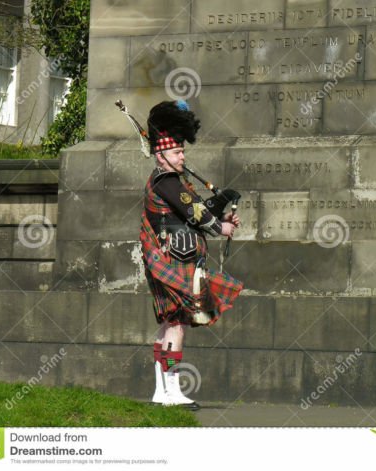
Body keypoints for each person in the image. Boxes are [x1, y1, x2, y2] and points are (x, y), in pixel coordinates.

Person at [139, 99, 243, 410]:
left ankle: (162, 393)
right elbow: (195, 212)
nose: (183, 155)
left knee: (170, 322)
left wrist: (221, 211)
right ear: (160, 155)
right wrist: (219, 228)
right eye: (176, 152)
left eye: (182, 151)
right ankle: (172, 393)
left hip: (174, 260)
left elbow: (195, 210)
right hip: (174, 261)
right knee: (177, 324)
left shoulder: (174, 182)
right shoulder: (166, 181)